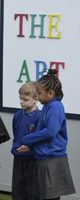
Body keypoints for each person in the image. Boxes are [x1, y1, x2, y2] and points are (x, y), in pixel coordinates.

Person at [20, 69, 76, 200]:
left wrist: (27, 139)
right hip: (44, 158)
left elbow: (50, 132)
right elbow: (42, 131)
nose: (37, 97)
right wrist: (32, 146)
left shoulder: (56, 107)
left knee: (50, 197)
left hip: (52, 159)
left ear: (50, 93)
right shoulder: (47, 106)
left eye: (39, 93)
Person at [11, 81, 41, 200]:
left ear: (36, 99)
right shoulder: (17, 115)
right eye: (20, 98)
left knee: (32, 191)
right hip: (18, 157)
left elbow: (39, 137)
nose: (21, 102)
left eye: (25, 99)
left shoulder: (39, 117)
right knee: (18, 190)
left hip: (32, 159)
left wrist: (30, 147)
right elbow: (16, 132)